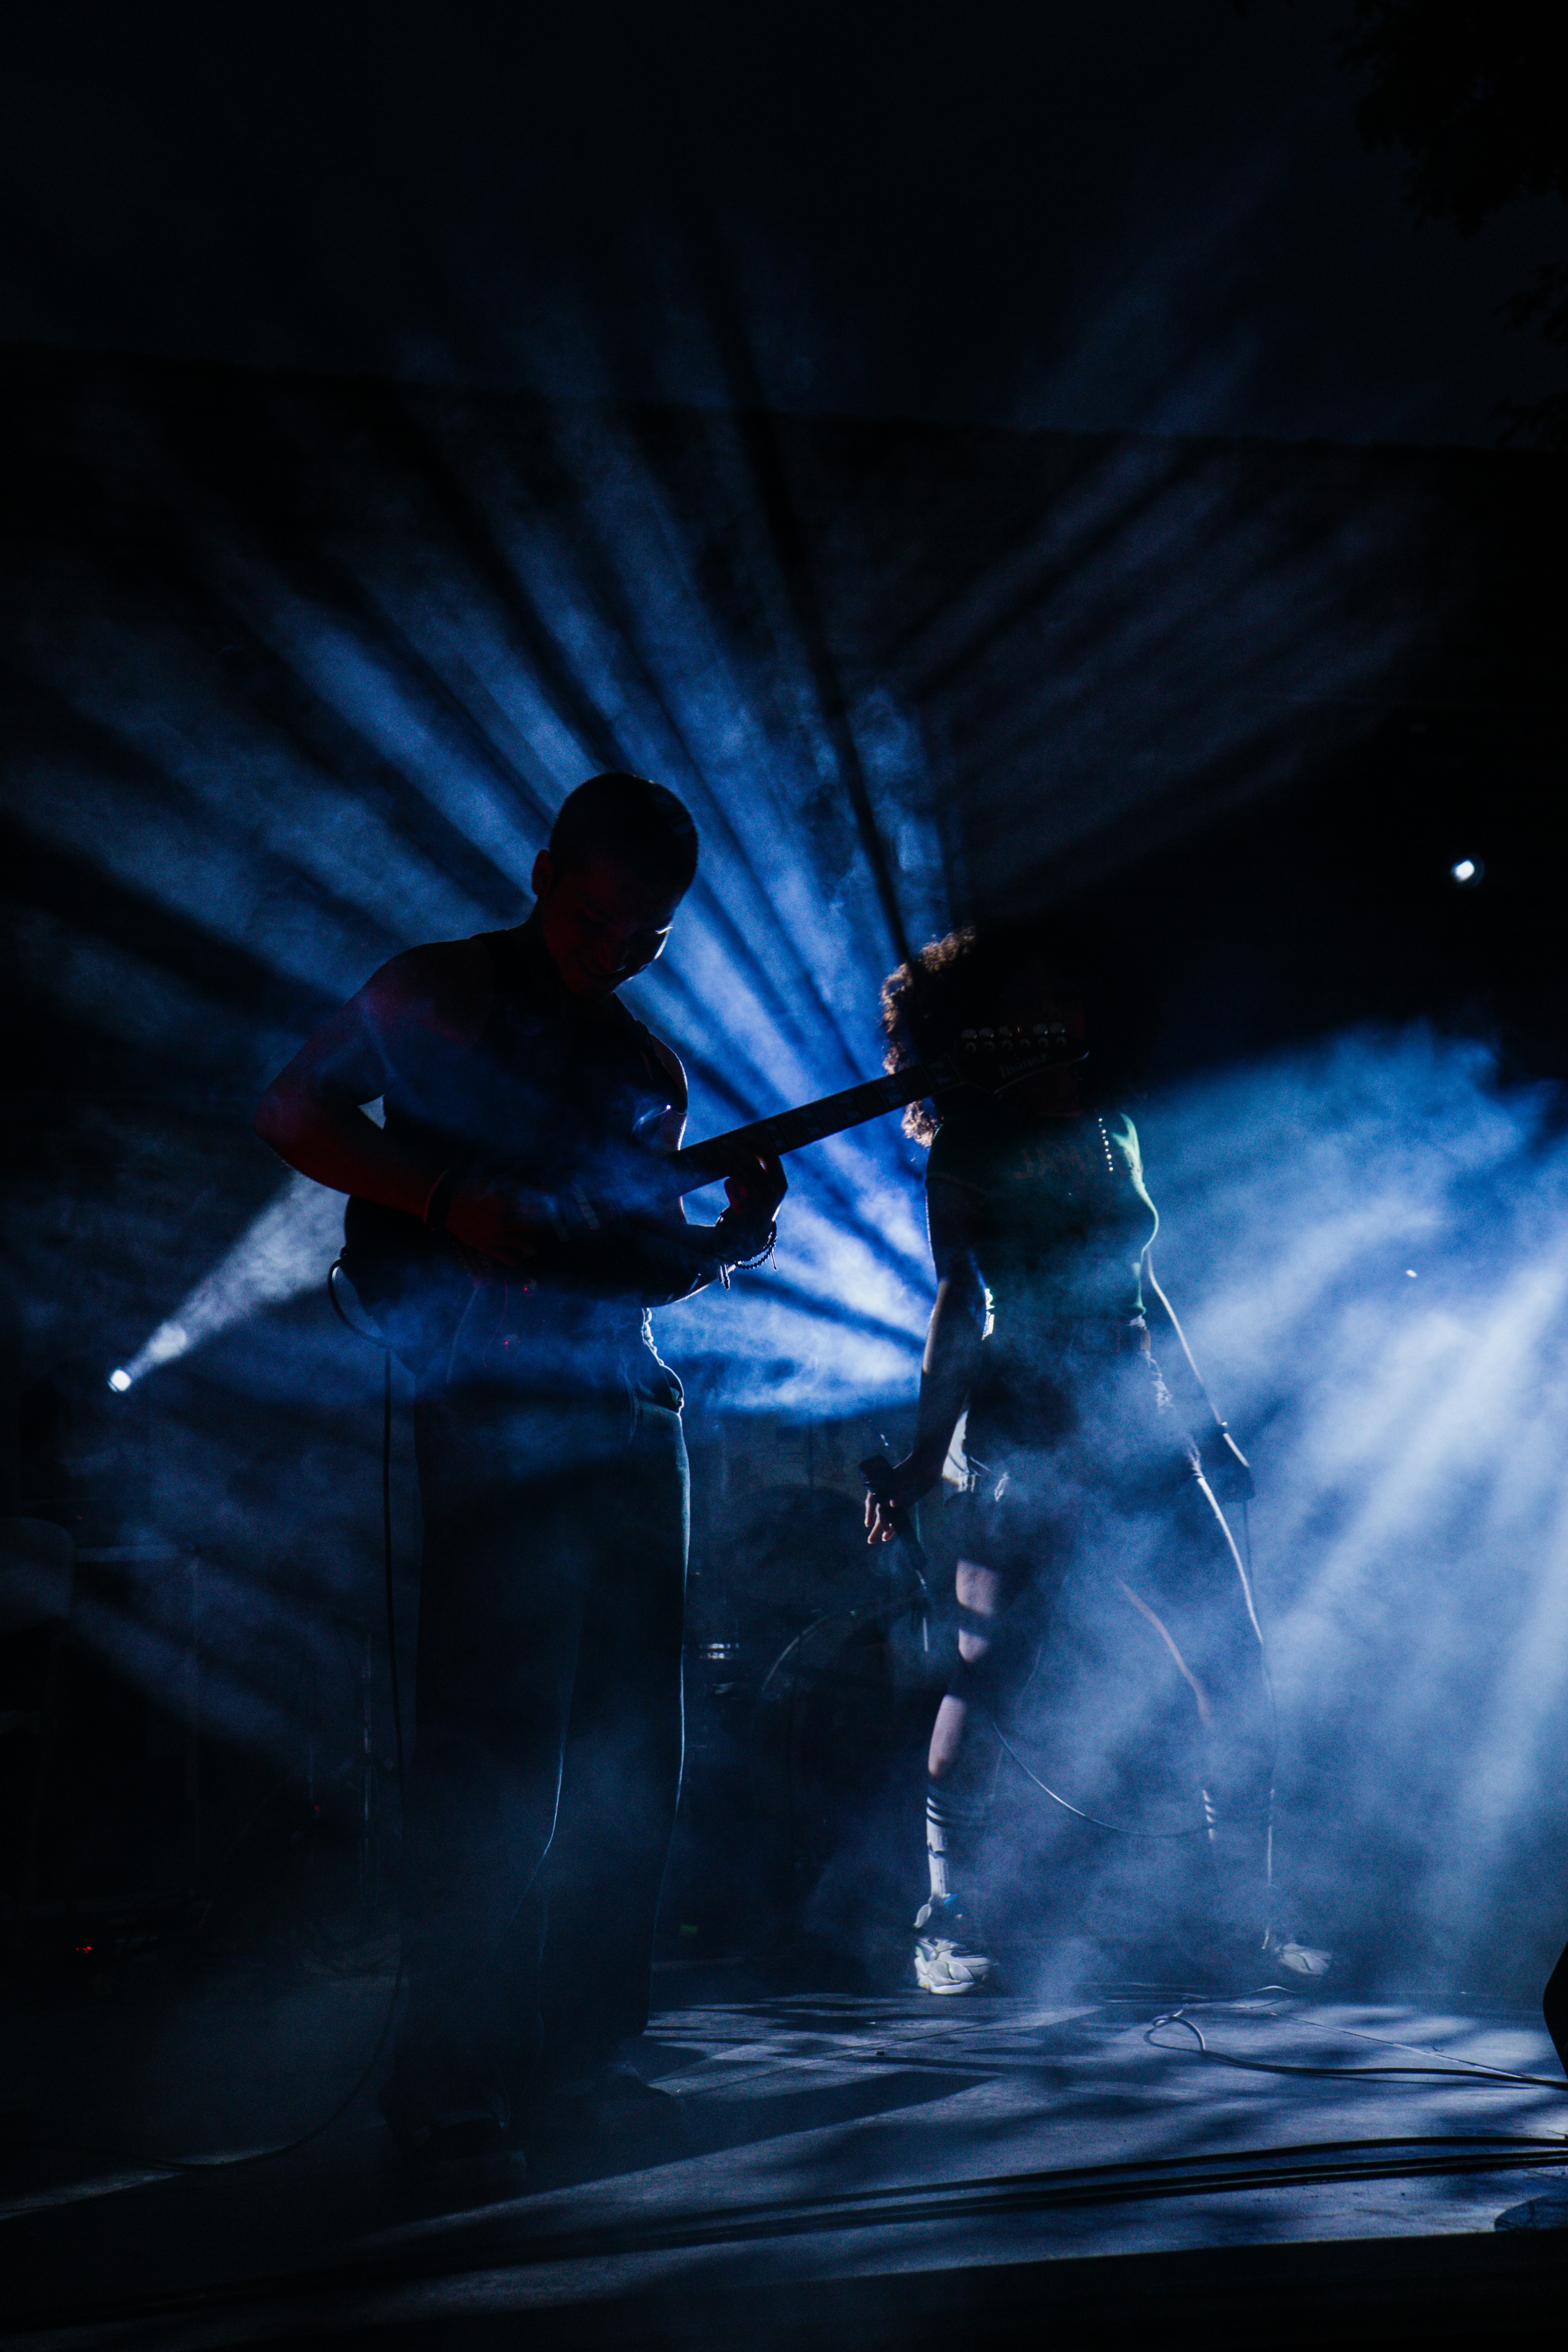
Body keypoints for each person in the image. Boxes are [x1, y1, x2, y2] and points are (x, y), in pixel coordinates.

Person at [254, 772, 785, 2161]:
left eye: (646, 939)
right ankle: (448, 2064)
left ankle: (587, 2051)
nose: (614, 954)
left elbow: (624, 1262)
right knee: (494, 1746)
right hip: (489, 1402)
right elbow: (292, 1111)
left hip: (626, 1404)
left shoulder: (648, 1069)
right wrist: (441, 1197)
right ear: (547, 871)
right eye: (598, 919)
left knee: (629, 1741)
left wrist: (721, 1245)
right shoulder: (435, 988)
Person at [865, 917, 1302, 1996]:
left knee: (1235, 1665)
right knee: (989, 1672)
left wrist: (1211, 1430)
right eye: (1038, 1003)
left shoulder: (1115, 1128)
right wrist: (926, 1458)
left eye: (1067, 999)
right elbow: (960, 1302)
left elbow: (1145, 1293)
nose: (1061, 1017)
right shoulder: (975, 1145)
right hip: (1029, 1429)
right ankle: (945, 1916)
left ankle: (1244, 1918)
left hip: (1141, 1428)